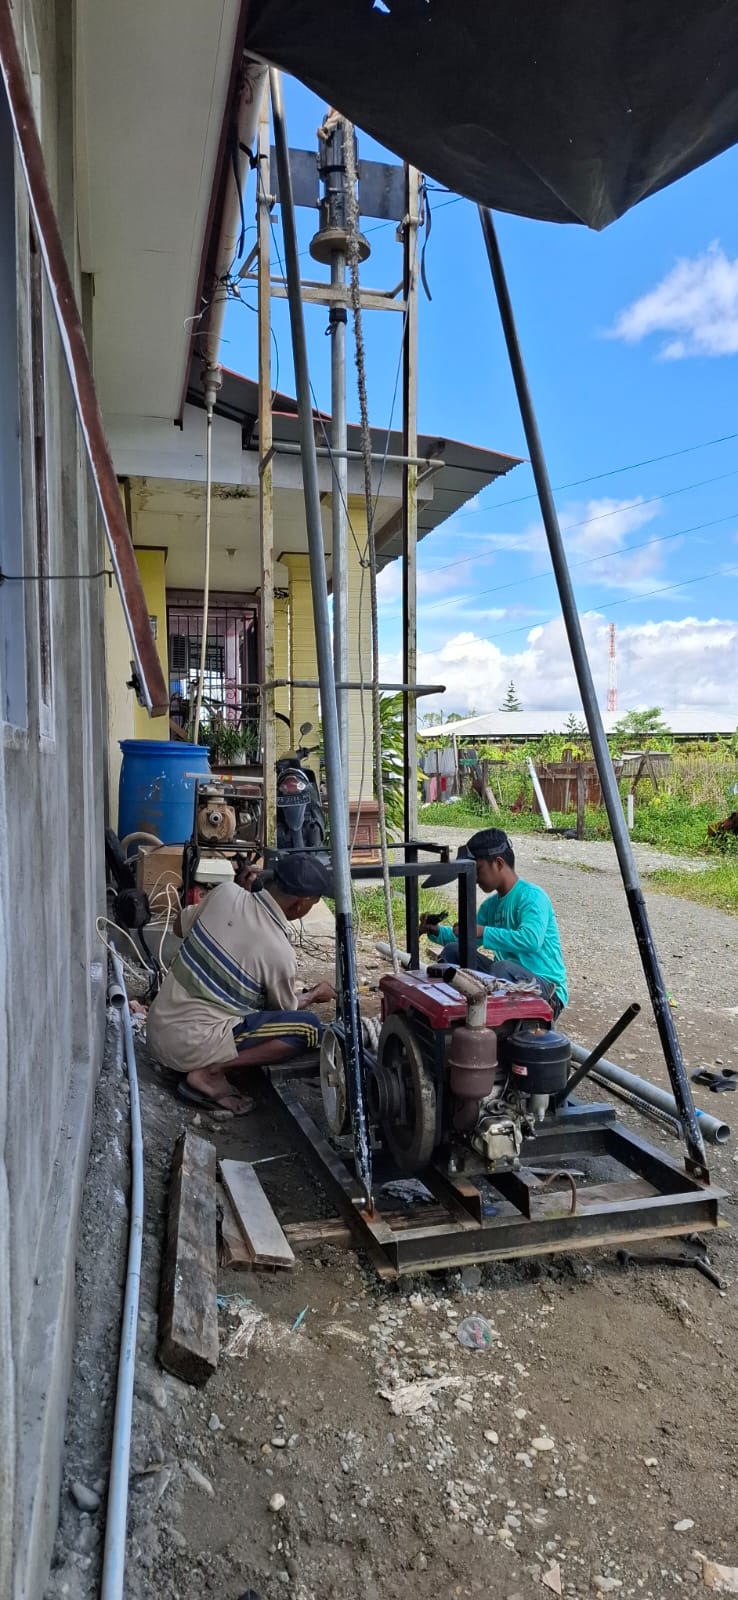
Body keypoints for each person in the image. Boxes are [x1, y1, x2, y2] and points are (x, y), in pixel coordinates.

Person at [147, 853, 336, 1113]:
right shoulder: (279, 952)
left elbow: (179, 927)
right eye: (313, 904)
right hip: (187, 1050)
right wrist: (314, 995)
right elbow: (283, 1012)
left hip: (157, 1031)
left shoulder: (226, 892)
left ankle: (212, 1063)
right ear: (300, 905)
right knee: (309, 1028)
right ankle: (212, 1072)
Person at [420, 828, 568, 1017]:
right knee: (453, 950)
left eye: (478, 870)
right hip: (509, 981)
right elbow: (470, 937)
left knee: (501, 967)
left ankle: (492, 1021)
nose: (475, 879)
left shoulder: (532, 896)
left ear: (498, 863)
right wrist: (436, 930)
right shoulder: (490, 906)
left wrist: (483, 931)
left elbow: (531, 940)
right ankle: (455, 1012)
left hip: (546, 991)